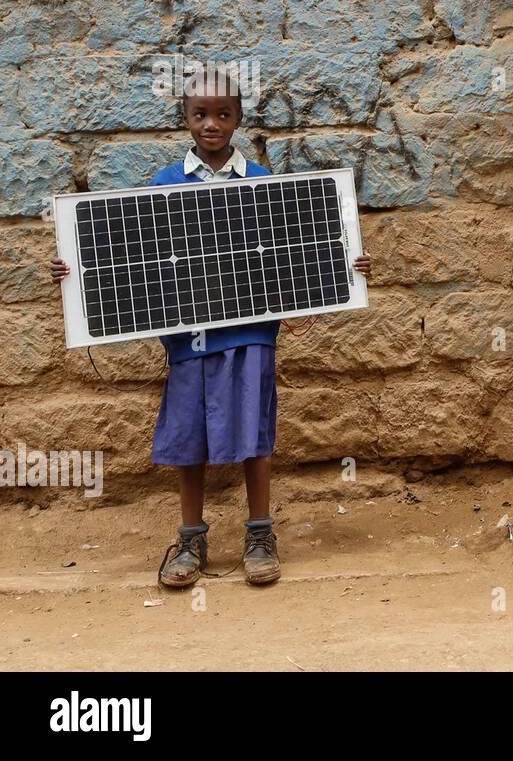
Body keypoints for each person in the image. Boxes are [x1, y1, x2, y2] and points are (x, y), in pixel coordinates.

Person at [50, 82, 372, 588]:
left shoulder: (263, 183)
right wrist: (74, 271)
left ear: (238, 120)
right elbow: (127, 253)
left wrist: (345, 263)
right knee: (189, 435)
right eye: (200, 113)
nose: (211, 124)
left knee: (255, 432)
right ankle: (190, 539)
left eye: (223, 114)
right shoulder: (164, 184)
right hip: (189, 338)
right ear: (186, 118)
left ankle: (260, 536)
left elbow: (297, 249)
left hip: (250, 331)